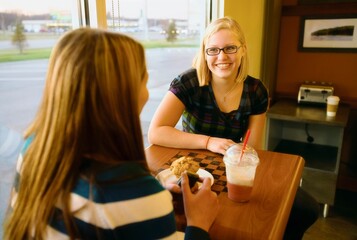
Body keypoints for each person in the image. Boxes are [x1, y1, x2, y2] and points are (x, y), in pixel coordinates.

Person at [3, 28, 219, 240]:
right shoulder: (133, 194)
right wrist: (198, 223)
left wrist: (151, 197)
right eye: (144, 78)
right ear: (123, 96)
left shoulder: (33, 148)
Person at [148, 17, 319, 240]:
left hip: (232, 167)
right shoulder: (188, 82)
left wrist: (234, 156)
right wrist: (209, 142)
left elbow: (254, 147)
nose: (222, 57)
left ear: (243, 50)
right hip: (194, 169)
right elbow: (156, 131)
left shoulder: (256, 90)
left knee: (306, 209)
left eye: (230, 48)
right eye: (213, 50)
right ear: (204, 53)